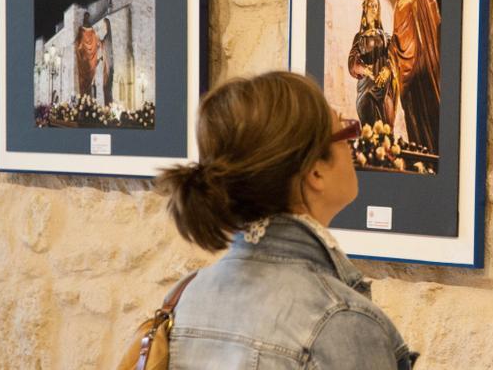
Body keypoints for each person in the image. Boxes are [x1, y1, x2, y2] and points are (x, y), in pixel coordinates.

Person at [158, 71, 417, 369]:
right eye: (346, 133)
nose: (354, 144)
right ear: (316, 172)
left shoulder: (185, 296)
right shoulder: (339, 321)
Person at [390, 0, 441, 154]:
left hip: (422, 62)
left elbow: (428, 24)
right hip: (407, 65)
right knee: (413, 112)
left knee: (427, 108)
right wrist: (393, 46)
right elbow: (400, 32)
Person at [348, 0, 397, 128]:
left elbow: (394, 55)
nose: (374, 9)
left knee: (387, 132)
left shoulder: (385, 37)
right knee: (370, 132)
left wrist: (388, 69)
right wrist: (363, 69)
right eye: (371, 5)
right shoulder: (360, 37)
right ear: (365, 9)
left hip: (384, 89)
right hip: (366, 89)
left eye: (376, 6)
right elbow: (352, 61)